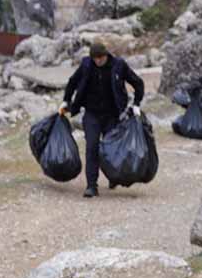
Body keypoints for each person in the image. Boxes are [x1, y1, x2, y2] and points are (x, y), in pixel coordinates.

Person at [60, 42, 145, 197]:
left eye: (100, 57)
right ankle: (91, 186)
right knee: (92, 147)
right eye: (95, 58)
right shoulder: (87, 65)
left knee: (110, 149)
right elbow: (73, 82)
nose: (98, 61)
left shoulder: (119, 65)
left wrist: (136, 104)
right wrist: (66, 101)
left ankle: (113, 176)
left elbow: (138, 83)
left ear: (106, 55)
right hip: (92, 113)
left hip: (113, 115)